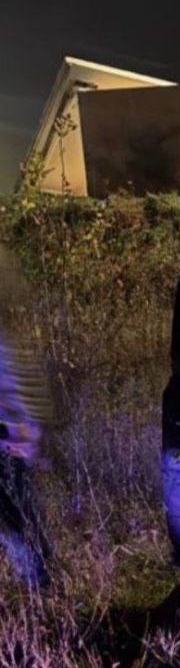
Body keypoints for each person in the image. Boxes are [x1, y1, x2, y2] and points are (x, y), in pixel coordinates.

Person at [0, 247, 53, 588]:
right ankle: (39, 583)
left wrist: (28, 429)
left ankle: (39, 585)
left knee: (16, 520)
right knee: (17, 518)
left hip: (8, 436)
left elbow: (13, 374)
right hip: (11, 435)